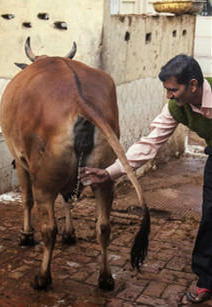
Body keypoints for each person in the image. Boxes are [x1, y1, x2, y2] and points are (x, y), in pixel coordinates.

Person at [80, 54, 212, 304]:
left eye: (173, 90)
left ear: (193, 85)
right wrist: (109, 173)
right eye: (167, 90)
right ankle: (206, 281)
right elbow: (149, 145)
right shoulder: (176, 108)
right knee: (210, 219)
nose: (169, 96)